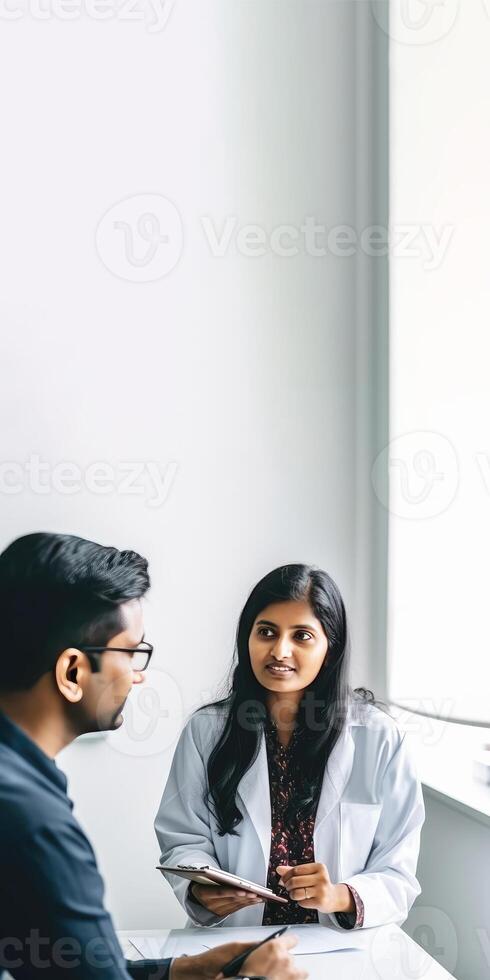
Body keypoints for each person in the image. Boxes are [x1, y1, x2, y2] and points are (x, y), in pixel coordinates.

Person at [0, 533, 305, 980]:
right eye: (133, 653)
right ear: (72, 672)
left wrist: (181, 971)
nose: (139, 677)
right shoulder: (32, 822)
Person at [155, 564, 425, 932]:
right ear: (246, 639)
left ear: (331, 648)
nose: (280, 651)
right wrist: (202, 890)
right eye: (266, 632)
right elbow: (182, 837)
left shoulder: (372, 739)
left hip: (341, 947)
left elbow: (397, 866)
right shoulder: (208, 732)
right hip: (236, 942)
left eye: (302, 636)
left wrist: (340, 895)